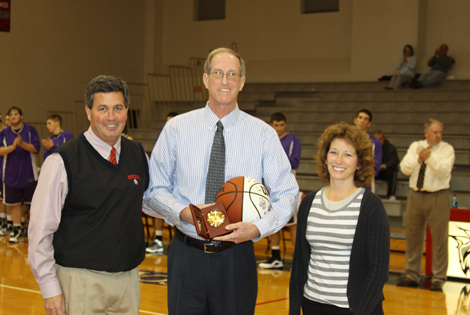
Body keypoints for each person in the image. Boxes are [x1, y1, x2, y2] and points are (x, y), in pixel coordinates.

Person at [143, 47, 299, 315]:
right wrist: (183, 213)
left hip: (236, 257)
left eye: (232, 74)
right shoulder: (177, 128)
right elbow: (154, 189)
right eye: (217, 73)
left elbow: (287, 194)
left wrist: (258, 228)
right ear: (205, 79)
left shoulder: (263, 134)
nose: (224, 80)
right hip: (186, 253)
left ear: (242, 81)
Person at [28, 75, 149, 315]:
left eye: (118, 108)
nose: (111, 117)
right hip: (79, 279)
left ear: (127, 110)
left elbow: (152, 202)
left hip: (128, 279)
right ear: (88, 111)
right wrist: (49, 288)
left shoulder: (138, 154)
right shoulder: (61, 161)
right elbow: (40, 229)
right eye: (102, 108)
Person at [289, 122, 390, 315]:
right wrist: (294, 309)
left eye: (348, 154)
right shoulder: (309, 202)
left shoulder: (370, 206)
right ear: (325, 157)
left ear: (359, 162)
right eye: (334, 152)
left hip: (354, 309)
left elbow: (378, 272)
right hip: (312, 305)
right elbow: (299, 263)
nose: (339, 160)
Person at [397, 119, 455, 292]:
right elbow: (404, 169)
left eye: (440, 132)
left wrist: (428, 159)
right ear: (426, 132)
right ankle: (412, 275)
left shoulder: (447, 149)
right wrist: (419, 159)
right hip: (415, 195)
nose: (438, 135)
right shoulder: (416, 145)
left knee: (439, 239)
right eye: (435, 132)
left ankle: (438, 278)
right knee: (413, 237)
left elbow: (443, 171)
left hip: (438, 197)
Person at [259, 112, 301, 270]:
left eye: (281, 125)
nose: (279, 128)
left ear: (286, 125)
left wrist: (275, 157)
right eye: (276, 125)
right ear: (271, 125)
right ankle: (275, 257)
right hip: (268, 189)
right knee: (272, 221)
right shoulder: (267, 140)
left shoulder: (293, 140)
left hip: (287, 189)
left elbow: (295, 162)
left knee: (292, 224)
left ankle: (298, 260)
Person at [0, 107, 40, 242]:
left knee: (32, 205)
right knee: (15, 204)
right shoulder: (4, 133)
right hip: (10, 175)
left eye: (15, 114)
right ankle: (17, 230)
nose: (12, 116)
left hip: (29, 174)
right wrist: (12, 147)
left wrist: (22, 144)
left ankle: (34, 230)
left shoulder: (30, 130)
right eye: (10, 115)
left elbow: (36, 149)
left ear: (21, 116)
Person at [146, 111, 178, 253]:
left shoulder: (185, 136)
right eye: (167, 121)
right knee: (156, 204)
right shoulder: (162, 137)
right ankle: (158, 240)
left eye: (171, 121)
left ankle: (182, 239)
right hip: (165, 181)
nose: (169, 124)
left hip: (179, 184)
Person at [353, 109, 382, 192]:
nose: (362, 121)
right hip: (345, 182)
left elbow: (376, 168)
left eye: (365, 119)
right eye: (360, 117)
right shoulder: (346, 140)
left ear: (369, 124)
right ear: (355, 120)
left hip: (366, 185)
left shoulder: (376, 142)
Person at [373, 130, 400, 199]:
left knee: (392, 171)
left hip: (385, 171)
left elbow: (394, 162)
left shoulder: (390, 148)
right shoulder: (371, 148)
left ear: (384, 139)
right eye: (377, 140)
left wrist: (382, 166)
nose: (378, 141)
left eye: (380, 139)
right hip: (374, 171)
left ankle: (391, 194)